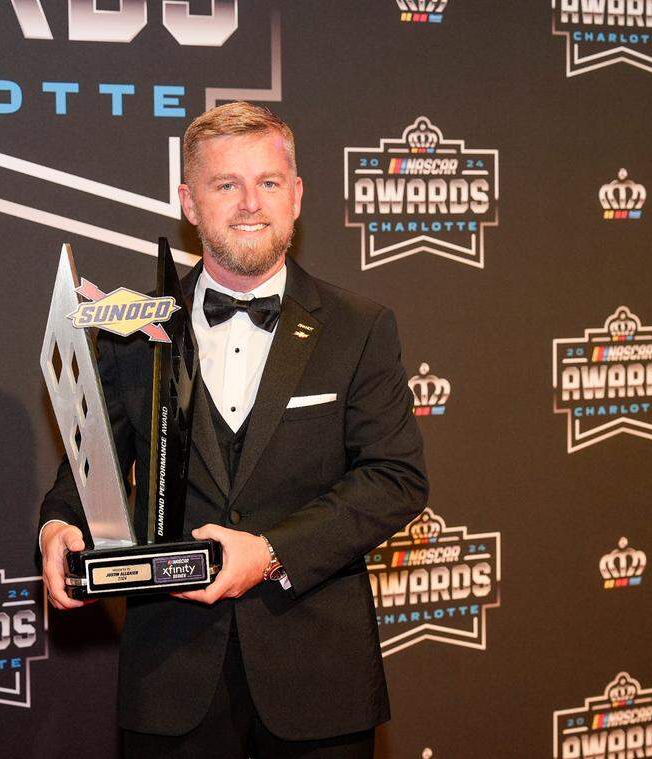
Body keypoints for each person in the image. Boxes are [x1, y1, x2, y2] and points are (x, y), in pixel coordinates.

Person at [38, 101, 427, 758]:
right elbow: (85, 471)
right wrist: (58, 527)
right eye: (227, 185)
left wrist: (269, 552)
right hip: (170, 681)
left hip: (317, 684)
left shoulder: (358, 326)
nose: (251, 203)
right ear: (189, 202)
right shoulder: (132, 326)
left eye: (268, 182)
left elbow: (395, 479)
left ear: (297, 195)